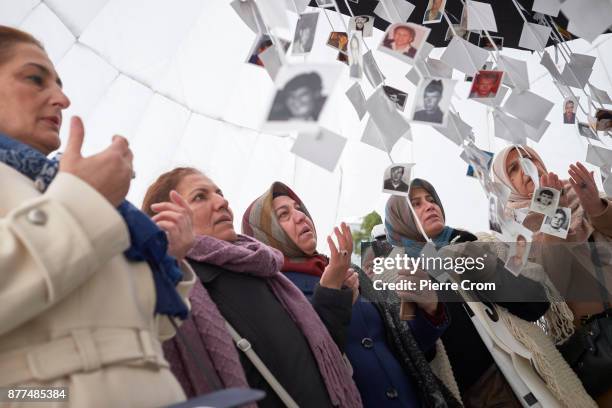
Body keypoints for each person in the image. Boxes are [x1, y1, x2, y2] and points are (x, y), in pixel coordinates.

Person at [0, 26, 196, 407]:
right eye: (34, 79)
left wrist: (169, 256)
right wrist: (83, 199)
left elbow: (151, 331)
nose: (62, 98)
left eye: (58, 84)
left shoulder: (67, 190)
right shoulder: (78, 195)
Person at [144, 168, 362, 408]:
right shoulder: (175, 289)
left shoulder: (265, 270)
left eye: (220, 193)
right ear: (165, 219)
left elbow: (315, 355)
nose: (222, 201)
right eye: (200, 196)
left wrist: (334, 293)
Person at [243, 182, 462, 408]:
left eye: (298, 208)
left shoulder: (351, 272)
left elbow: (409, 345)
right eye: (283, 215)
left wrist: (430, 309)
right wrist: (330, 293)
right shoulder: (274, 294)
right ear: (264, 233)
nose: (300, 217)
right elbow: (305, 366)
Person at [385, 178, 551, 407]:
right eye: (415, 204)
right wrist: (430, 311)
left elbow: (536, 304)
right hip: (478, 395)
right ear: (399, 219)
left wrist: (491, 272)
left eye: (431, 200)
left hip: (533, 377)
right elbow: (414, 355)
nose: (429, 206)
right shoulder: (396, 279)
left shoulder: (471, 245)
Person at [491, 145, 612, 404]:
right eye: (513, 168)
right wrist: (553, 211)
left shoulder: (579, 191)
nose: (526, 168)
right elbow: (554, 280)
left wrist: (597, 207)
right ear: (505, 184)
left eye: (529, 159)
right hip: (601, 343)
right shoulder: (514, 232)